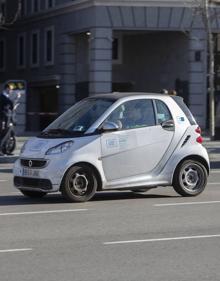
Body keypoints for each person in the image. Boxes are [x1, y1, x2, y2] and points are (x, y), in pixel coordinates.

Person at [0, 84, 13, 154]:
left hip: (7, 119)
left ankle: (5, 150)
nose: (11, 91)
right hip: (2, 119)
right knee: (2, 134)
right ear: (7, 88)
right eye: (10, 89)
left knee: (6, 135)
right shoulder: (2, 97)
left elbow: (10, 106)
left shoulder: (6, 97)